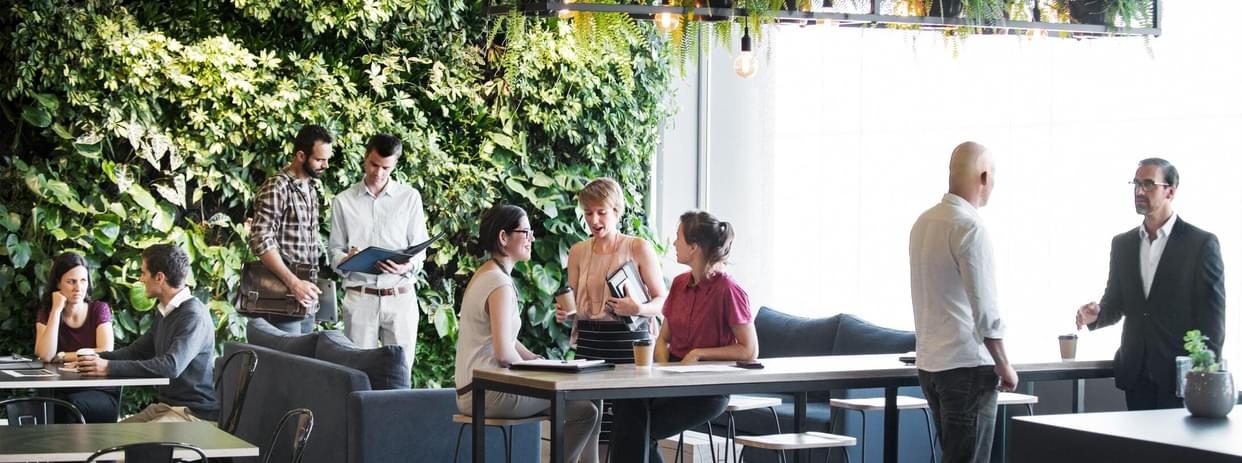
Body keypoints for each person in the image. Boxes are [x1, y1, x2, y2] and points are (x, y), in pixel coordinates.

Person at [609, 210, 759, 463]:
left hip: (707, 391)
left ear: (694, 247)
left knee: (634, 429)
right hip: (673, 381)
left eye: (678, 237)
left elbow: (749, 350)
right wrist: (661, 373)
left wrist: (699, 353)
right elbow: (663, 338)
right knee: (627, 406)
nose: (674, 242)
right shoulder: (679, 284)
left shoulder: (728, 290)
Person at [1075, 158, 1225, 410]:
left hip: (1181, 376)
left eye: (1148, 184)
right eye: (1136, 184)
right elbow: (1116, 302)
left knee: (1179, 450)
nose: (1138, 191)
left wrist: (1206, 373)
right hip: (1136, 372)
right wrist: (1096, 316)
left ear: (1171, 191)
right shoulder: (1123, 244)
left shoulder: (1200, 244)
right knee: (1139, 451)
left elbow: (1213, 316)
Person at [455, 205, 601, 463]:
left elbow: (506, 339)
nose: (532, 238)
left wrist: (536, 359)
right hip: (488, 392)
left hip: (477, 389)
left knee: (589, 401)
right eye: (525, 232)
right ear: (503, 238)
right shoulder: (498, 283)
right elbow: (504, 354)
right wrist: (542, 371)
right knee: (586, 409)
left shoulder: (488, 274)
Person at [909, 141, 1017, 463]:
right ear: (984, 177)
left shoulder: (923, 222)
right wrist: (1003, 362)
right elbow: (984, 306)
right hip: (967, 366)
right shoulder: (970, 226)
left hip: (930, 366)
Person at [554, 178, 668, 449]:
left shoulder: (638, 247)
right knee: (591, 426)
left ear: (616, 210)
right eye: (588, 212)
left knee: (627, 428)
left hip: (630, 344)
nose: (594, 219)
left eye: (601, 212)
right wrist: (566, 313)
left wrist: (638, 308)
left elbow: (663, 300)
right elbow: (578, 305)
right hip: (590, 344)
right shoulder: (578, 252)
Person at [77, 244, 219, 423]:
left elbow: (171, 367)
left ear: (159, 277)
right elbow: (134, 352)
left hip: (193, 414)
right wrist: (91, 359)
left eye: (143, 273)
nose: (141, 279)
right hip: (166, 407)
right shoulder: (165, 311)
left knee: (123, 443)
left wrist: (107, 367)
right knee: (109, 437)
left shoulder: (193, 315)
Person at [329, 134, 429, 370]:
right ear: (365, 158)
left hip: (400, 296)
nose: (379, 173)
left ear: (395, 164)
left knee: (400, 374)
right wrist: (346, 259)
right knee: (357, 375)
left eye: (386, 167)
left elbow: (420, 251)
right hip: (360, 295)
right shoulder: (343, 201)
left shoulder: (409, 198)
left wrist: (407, 265)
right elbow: (334, 251)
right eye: (374, 164)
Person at [249, 124, 335, 333]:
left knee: (303, 364)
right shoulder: (277, 186)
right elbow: (260, 240)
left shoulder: (311, 187)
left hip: (305, 300)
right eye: (319, 160)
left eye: (327, 159)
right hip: (280, 300)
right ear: (300, 156)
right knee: (285, 363)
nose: (325, 165)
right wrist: (294, 283)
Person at [33, 252, 118, 423]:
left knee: (67, 406)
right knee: (42, 405)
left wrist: (65, 355)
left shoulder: (99, 309)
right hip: (60, 389)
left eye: (83, 280)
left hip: (99, 391)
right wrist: (56, 310)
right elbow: (45, 354)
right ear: (58, 283)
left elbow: (106, 350)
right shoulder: (48, 312)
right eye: (71, 281)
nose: (78, 288)